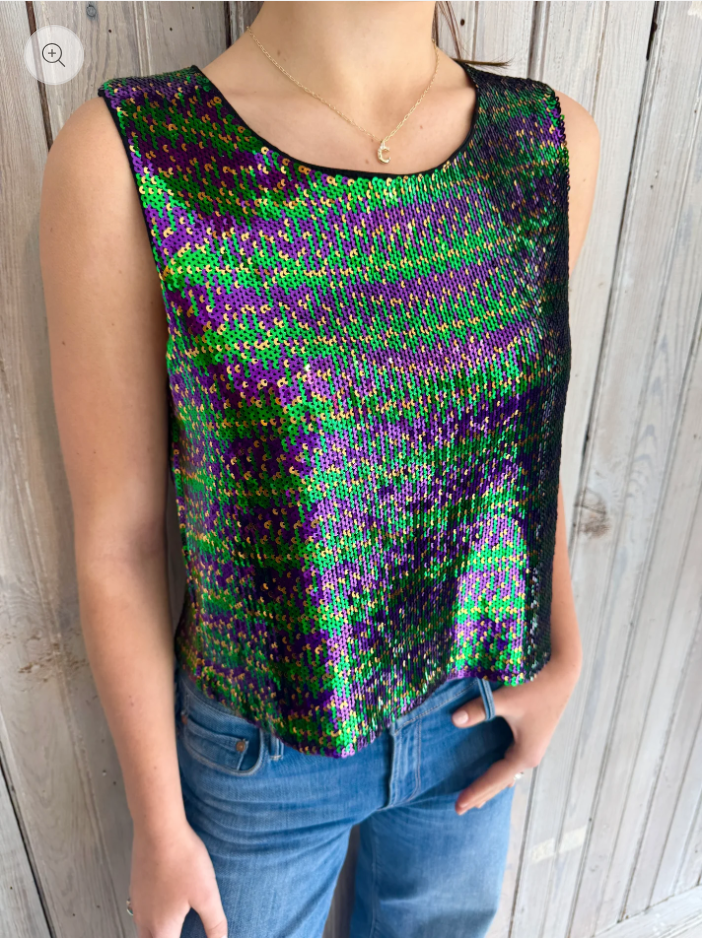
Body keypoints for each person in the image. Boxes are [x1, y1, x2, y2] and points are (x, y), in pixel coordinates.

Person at [39, 2, 599, 936]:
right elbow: (119, 540)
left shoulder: (545, 145)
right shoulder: (134, 158)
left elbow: (523, 458)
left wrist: (564, 654)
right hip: (264, 752)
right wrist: (157, 819)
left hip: (480, 705)